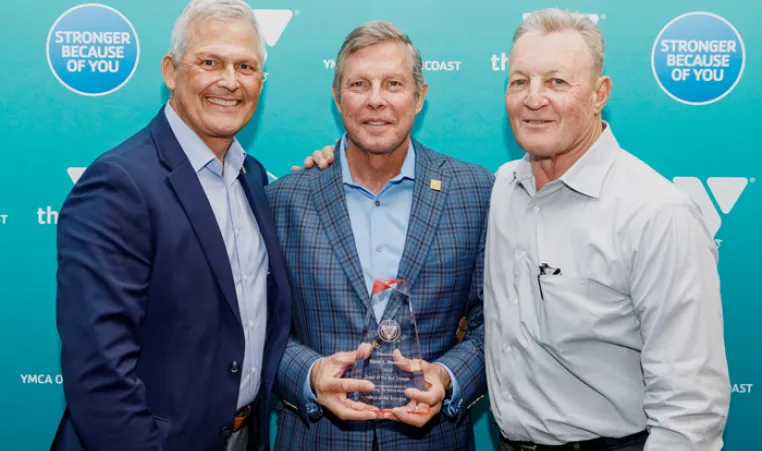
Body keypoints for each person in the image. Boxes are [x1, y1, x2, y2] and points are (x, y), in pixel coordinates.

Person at [484, 9, 730, 451]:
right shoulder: (504, 187)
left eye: (557, 82)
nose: (533, 98)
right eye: (519, 81)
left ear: (600, 94)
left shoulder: (657, 214)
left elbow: (691, 410)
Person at [51, 1, 290, 450]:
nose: (230, 81)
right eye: (210, 62)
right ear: (170, 70)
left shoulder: (252, 177)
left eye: (246, 66)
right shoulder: (120, 184)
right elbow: (101, 376)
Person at [267, 21, 492, 450]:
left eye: (393, 84)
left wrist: (447, 377)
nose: (376, 100)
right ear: (337, 96)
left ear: (419, 96)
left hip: (433, 440)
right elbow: (260, 329)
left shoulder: (475, 192)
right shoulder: (283, 199)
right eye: (358, 84)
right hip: (317, 440)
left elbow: (493, 326)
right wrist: (310, 375)